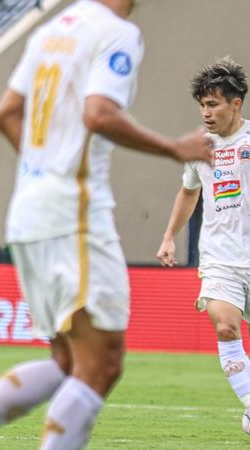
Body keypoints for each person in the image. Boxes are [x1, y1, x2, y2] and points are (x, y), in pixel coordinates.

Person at [0, 1, 215, 449]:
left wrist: (45, 167)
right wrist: (173, 148)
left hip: (30, 212)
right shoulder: (116, 31)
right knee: (102, 364)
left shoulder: (52, 30)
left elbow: (5, 113)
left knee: (68, 361)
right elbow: (99, 114)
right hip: (76, 217)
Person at [156, 57, 250, 434]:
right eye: (202, 105)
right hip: (220, 259)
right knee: (226, 326)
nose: (206, 113)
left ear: (236, 104)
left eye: (213, 104)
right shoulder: (200, 147)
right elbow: (188, 192)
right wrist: (168, 236)